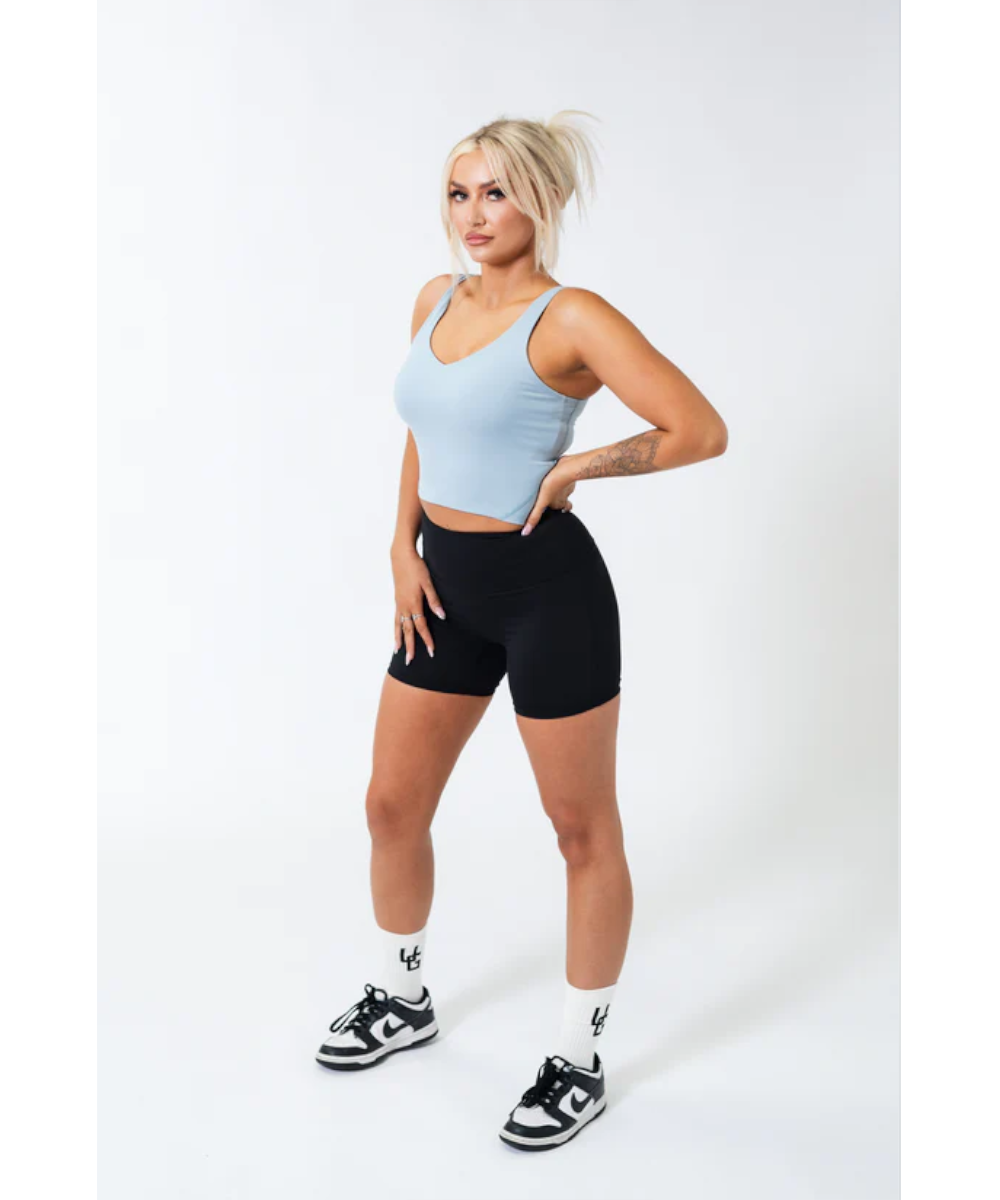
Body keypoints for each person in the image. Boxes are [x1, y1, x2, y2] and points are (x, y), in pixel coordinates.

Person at [316, 111, 728, 1152]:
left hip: (548, 592)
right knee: (390, 805)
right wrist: (401, 546)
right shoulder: (435, 299)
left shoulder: (570, 316)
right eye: (459, 193)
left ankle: (579, 1060)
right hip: (442, 589)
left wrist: (578, 465)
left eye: (496, 192)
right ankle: (402, 996)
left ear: (541, 200)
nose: (474, 214)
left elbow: (698, 428)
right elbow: (429, 429)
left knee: (580, 831)